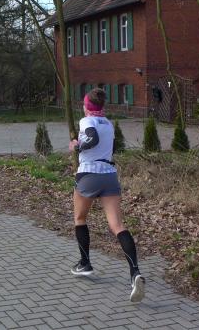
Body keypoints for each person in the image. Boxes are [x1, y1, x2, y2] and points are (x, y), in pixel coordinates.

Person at [68, 87, 145, 303]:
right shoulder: (108, 124)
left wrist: (77, 146)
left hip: (89, 174)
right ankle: (135, 273)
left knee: (80, 218)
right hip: (109, 174)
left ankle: (85, 263)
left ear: (87, 106)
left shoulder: (86, 121)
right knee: (117, 225)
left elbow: (91, 140)